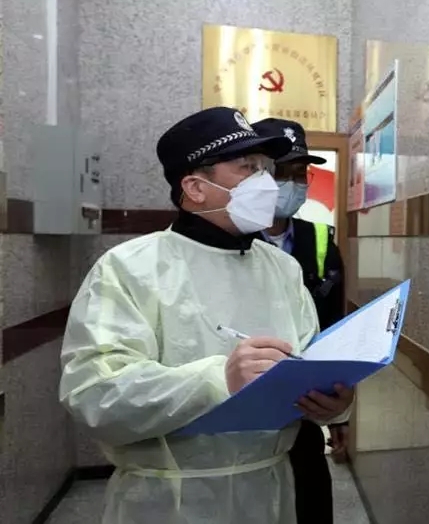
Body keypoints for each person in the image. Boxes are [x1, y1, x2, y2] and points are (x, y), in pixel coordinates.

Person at [59, 106, 354, 524]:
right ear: (196, 187)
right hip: (170, 501)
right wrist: (219, 379)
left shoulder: (282, 269)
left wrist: (328, 402)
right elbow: (94, 395)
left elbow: (307, 362)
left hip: (273, 493)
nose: (266, 182)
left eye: (265, 168)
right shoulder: (129, 268)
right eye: (247, 167)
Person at [252, 118, 347, 524]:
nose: (291, 184)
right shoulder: (229, 240)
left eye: (299, 174)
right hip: (247, 412)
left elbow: (333, 326)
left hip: (305, 414)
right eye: (281, 172)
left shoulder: (321, 240)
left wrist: (338, 414)